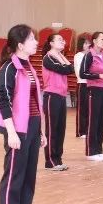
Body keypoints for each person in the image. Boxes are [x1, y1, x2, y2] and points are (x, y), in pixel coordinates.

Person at [0, 25, 47, 204]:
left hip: (32, 126)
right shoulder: (9, 68)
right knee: (14, 178)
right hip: (17, 129)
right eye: (32, 39)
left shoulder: (29, 66)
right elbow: (2, 99)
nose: (36, 42)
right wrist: (11, 132)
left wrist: (41, 131)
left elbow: (33, 101)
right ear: (20, 45)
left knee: (28, 178)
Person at [40, 32, 72, 172]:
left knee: (60, 129)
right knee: (52, 129)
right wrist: (66, 65)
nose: (63, 41)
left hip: (61, 96)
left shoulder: (61, 56)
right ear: (51, 43)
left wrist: (65, 62)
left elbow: (70, 69)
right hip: (51, 96)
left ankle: (58, 159)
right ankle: (50, 161)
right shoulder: (48, 58)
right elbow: (63, 69)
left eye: (63, 40)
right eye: (59, 40)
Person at [80, 31, 103, 161]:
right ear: (94, 41)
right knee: (93, 121)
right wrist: (100, 76)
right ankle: (91, 152)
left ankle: (99, 150)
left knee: (101, 122)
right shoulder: (89, 55)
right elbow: (83, 74)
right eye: (102, 39)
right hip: (92, 91)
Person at [73, 32, 92, 139]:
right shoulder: (78, 56)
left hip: (91, 84)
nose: (88, 45)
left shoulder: (90, 55)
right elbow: (81, 72)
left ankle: (88, 130)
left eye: (89, 43)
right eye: (85, 43)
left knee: (89, 109)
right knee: (82, 109)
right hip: (82, 84)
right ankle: (81, 131)